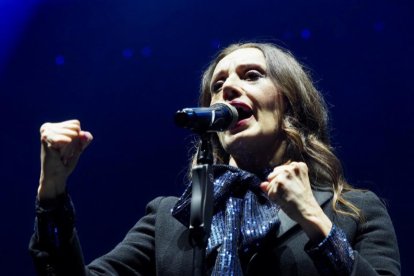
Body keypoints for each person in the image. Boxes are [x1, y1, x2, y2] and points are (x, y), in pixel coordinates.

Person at [29, 42, 400, 275]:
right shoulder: (169, 219)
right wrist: (53, 192)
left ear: (289, 101)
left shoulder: (353, 210)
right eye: (217, 85)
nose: (228, 89)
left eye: (252, 75)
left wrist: (316, 222)